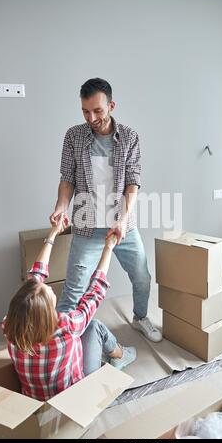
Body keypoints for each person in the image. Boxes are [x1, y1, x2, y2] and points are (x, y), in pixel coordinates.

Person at [50, 77, 162, 342]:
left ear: (111, 105)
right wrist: (60, 207)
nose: (91, 117)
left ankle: (140, 318)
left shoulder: (130, 137)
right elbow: (67, 178)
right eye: (85, 111)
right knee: (74, 288)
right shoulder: (73, 136)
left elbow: (133, 183)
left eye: (98, 110)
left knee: (142, 277)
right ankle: (62, 339)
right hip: (87, 224)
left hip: (121, 224)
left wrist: (123, 221)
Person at [2, 215, 136, 401]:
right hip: (72, 397)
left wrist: (53, 233)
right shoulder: (67, 326)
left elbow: (35, 278)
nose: (49, 287)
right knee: (94, 326)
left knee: (87, 327)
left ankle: (117, 354)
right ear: (46, 314)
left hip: (35, 400)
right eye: (49, 293)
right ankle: (120, 355)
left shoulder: (9, 326)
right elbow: (95, 291)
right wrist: (108, 248)